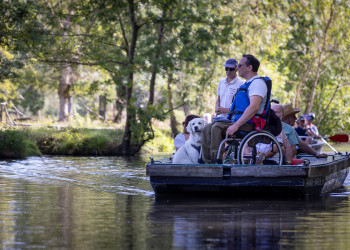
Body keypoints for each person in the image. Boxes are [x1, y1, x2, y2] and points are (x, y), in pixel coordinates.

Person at [202, 54, 267, 163]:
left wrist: (236, 125)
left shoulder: (257, 83)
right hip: (238, 120)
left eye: (240, 65)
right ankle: (206, 162)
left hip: (249, 124)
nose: (237, 68)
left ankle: (215, 162)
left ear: (249, 67)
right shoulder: (247, 84)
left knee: (217, 127)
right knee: (208, 127)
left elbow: (254, 108)